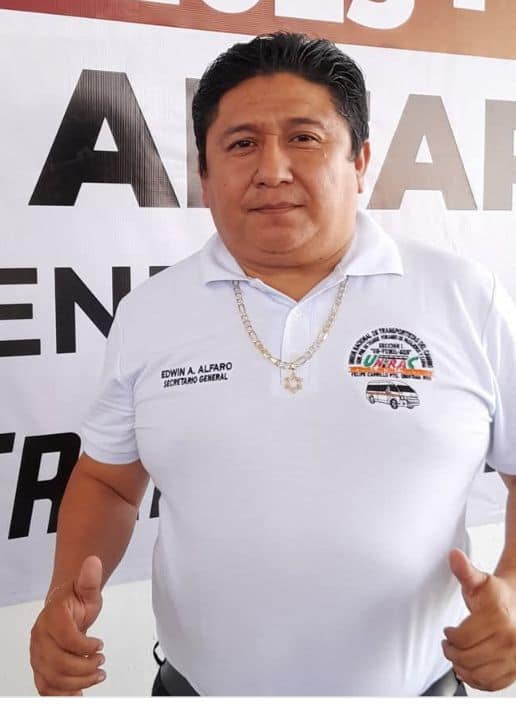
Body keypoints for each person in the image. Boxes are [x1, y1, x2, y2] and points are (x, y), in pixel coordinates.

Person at [29, 32, 516, 696]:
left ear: (360, 160)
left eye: (304, 138)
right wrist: (62, 596)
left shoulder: (464, 297)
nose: (272, 170)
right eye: (241, 144)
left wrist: (513, 589)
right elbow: (108, 482)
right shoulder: (151, 313)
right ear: (204, 176)